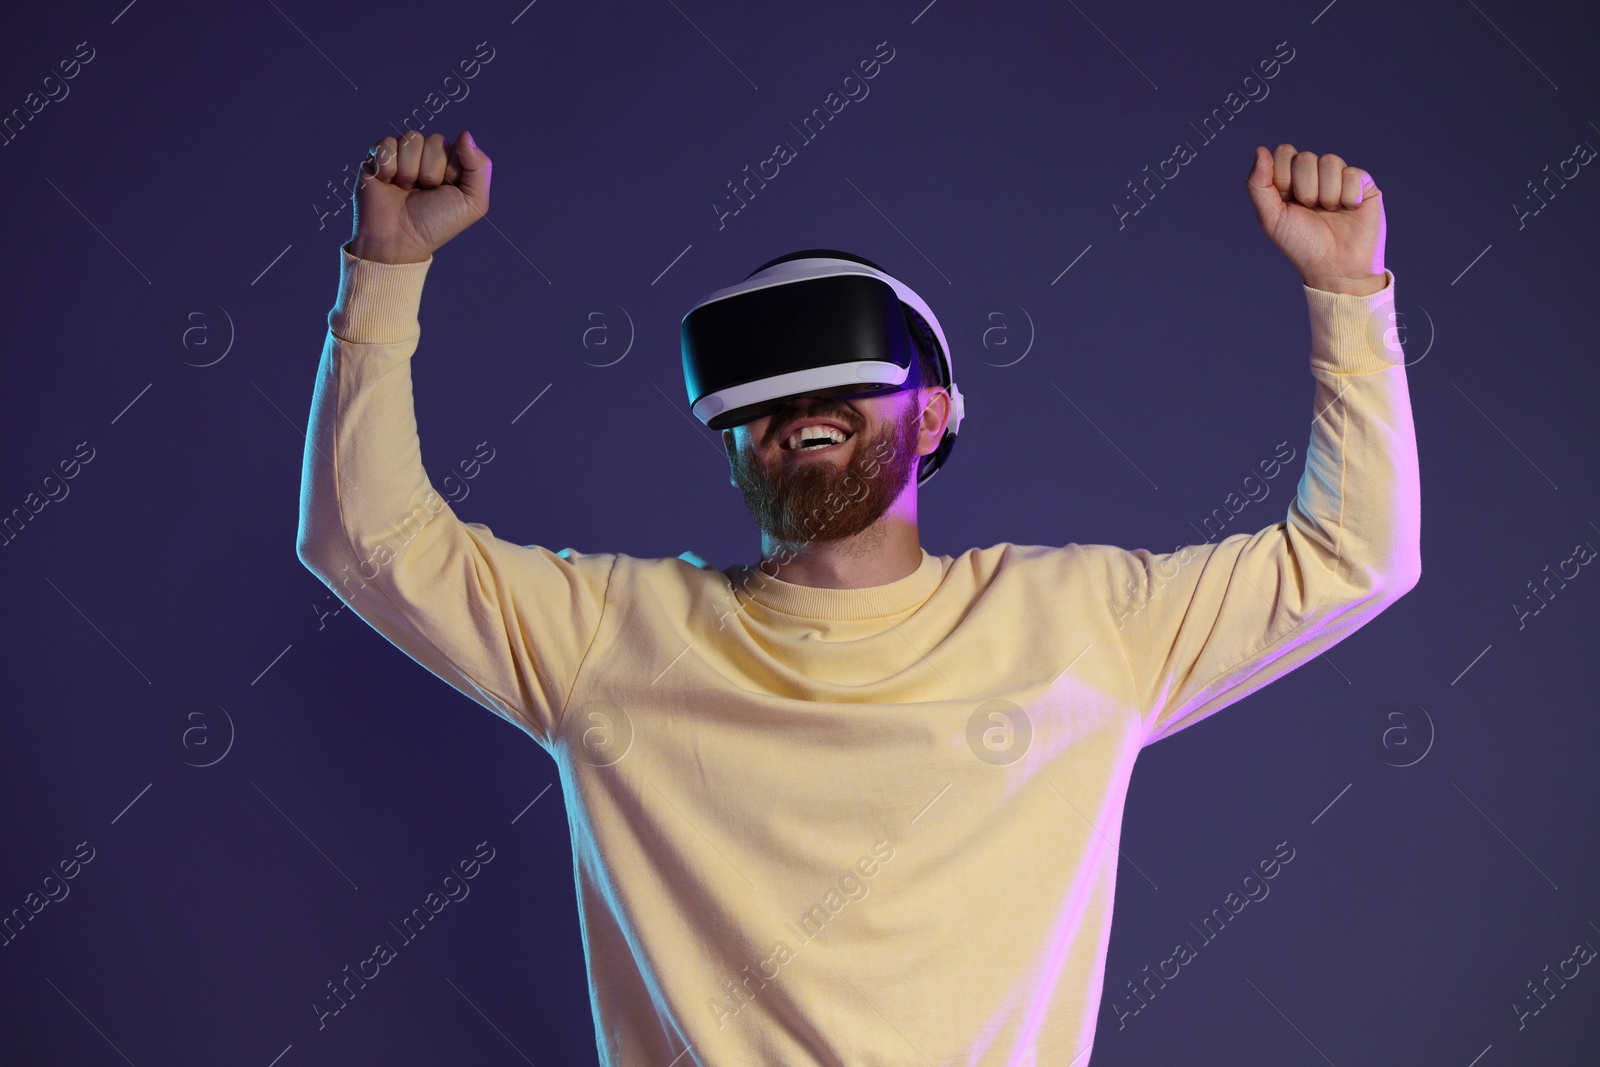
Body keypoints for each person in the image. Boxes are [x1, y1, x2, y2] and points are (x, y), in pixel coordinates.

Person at [297, 127, 1419, 1065]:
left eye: (842, 380)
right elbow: (367, 541)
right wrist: (382, 271)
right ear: (730, 442)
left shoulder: (1083, 627)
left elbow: (1353, 553)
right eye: (762, 399)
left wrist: (1345, 291)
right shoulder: (611, 640)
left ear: (931, 417)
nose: (798, 411)